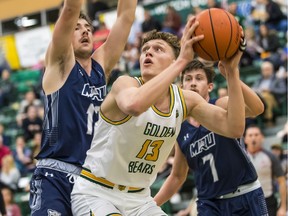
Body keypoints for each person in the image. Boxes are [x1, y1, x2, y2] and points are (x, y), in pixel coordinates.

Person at [71, 16, 247, 215]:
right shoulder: (126, 84)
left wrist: (232, 72)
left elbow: (234, 128)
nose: (149, 53)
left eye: (158, 49)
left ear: (173, 59)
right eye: (145, 50)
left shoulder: (185, 100)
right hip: (97, 193)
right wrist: (181, 63)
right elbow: (135, 105)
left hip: (139, 199)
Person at [29, 0, 137, 215]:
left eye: (88, 28)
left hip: (91, 180)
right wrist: (72, 16)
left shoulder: (101, 67)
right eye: (77, 28)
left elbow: (125, 17)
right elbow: (70, 10)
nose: (84, 32)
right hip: (55, 174)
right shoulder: (60, 64)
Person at [154, 59, 268, 216]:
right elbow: (177, 176)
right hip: (209, 204)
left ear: (210, 87)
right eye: (188, 79)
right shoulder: (180, 130)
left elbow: (257, 108)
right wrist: (152, 204)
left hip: (244, 195)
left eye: (199, 78)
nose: (193, 83)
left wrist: (231, 75)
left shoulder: (220, 105)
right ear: (181, 88)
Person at [245, 125, 287, 216]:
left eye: (256, 135)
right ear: (245, 139)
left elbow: (282, 181)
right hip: (247, 203)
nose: (253, 138)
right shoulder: (240, 158)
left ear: (262, 138)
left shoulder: (270, 156)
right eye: (250, 135)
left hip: (268, 201)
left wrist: (283, 207)